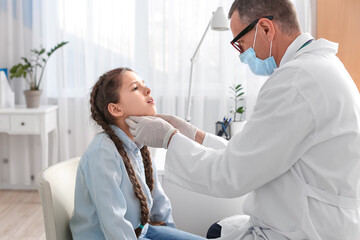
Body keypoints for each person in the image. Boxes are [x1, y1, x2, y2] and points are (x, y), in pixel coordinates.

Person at [125, 0, 360, 239]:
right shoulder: (319, 68)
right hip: (307, 219)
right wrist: (194, 135)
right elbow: (253, 152)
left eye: (241, 45)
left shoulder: (296, 82)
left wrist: (169, 139)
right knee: (215, 228)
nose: (242, 56)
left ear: (266, 29)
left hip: (304, 229)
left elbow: (232, 174)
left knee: (154, 234)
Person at [70, 68, 206, 240]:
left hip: (141, 232)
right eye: (135, 88)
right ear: (116, 109)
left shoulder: (139, 146)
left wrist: (172, 234)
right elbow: (114, 224)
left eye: (145, 85)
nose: (148, 90)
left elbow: (159, 205)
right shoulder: (103, 153)